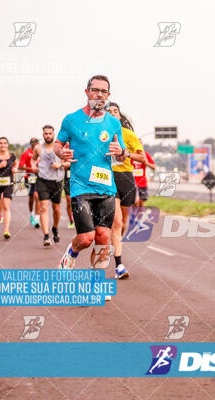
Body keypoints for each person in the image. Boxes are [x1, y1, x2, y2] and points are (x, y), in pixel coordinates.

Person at [55, 75, 126, 276]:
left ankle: (97, 283)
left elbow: (122, 155)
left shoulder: (113, 123)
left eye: (104, 92)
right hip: (81, 186)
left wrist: (119, 152)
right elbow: (58, 145)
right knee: (86, 238)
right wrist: (62, 153)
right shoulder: (71, 120)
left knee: (103, 236)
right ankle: (72, 251)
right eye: (95, 90)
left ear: (108, 96)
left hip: (106, 188)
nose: (99, 95)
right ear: (87, 92)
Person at [107, 102, 146, 279]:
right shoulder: (101, 135)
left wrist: (126, 153)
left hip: (126, 178)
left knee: (123, 224)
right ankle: (119, 265)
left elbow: (142, 158)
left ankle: (115, 244)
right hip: (108, 178)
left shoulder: (129, 135)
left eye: (116, 111)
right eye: (109, 112)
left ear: (120, 115)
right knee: (116, 223)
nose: (113, 113)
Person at [32, 125, 66, 246]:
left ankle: (55, 228)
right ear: (43, 135)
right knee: (44, 207)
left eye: (50, 133)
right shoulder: (38, 148)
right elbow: (33, 159)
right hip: (43, 180)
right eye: (46, 134)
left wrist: (60, 165)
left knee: (56, 209)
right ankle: (46, 236)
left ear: (53, 134)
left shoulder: (60, 148)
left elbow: (69, 163)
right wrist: (34, 167)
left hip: (57, 181)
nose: (48, 136)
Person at [19, 137, 40, 228]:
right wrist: (31, 169)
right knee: (31, 198)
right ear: (31, 144)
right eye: (34, 143)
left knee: (37, 197)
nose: (36, 144)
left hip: (39, 177)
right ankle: (31, 214)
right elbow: (20, 166)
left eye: (37, 143)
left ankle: (37, 218)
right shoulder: (26, 153)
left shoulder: (40, 152)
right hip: (29, 177)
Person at [132, 139, 156, 207]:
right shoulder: (131, 155)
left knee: (141, 202)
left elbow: (153, 167)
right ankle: (133, 216)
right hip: (132, 183)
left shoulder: (145, 155)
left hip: (142, 183)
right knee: (135, 202)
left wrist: (146, 163)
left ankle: (140, 216)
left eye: (140, 144)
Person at [62, 163, 74, 229]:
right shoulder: (66, 154)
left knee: (79, 202)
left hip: (78, 181)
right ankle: (71, 221)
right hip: (68, 182)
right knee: (69, 201)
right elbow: (63, 166)